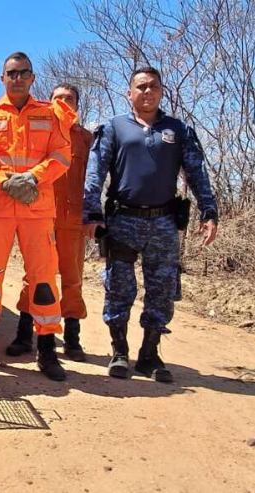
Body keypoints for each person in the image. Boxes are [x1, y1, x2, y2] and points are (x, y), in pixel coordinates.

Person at [84, 66, 218, 382]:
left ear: (161, 92)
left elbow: (196, 173)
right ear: (129, 93)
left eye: (153, 86)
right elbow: (95, 173)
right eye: (141, 87)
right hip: (122, 220)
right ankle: (119, 353)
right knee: (118, 286)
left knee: (160, 290)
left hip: (164, 223)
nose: (147, 92)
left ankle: (149, 355)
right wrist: (91, 214)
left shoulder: (178, 129)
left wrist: (209, 212)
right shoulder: (115, 128)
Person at [0, 52, 74, 381]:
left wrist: (33, 178)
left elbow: (62, 155)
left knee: (43, 281)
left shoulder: (50, 114)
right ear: (2, 78)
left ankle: (46, 351)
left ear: (33, 78)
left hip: (37, 209)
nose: (17, 78)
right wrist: (5, 180)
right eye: (11, 73)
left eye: (23, 73)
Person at [12, 83, 93, 362]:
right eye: (58, 98)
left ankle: (72, 339)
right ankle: (24, 335)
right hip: (37, 215)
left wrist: (93, 215)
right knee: (33, 276)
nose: (63, 103)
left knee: (72, 280)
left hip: (71, 220)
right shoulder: (39, 132)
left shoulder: (86, 138)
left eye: (69, 99)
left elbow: (93, 181)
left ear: (77, 105)